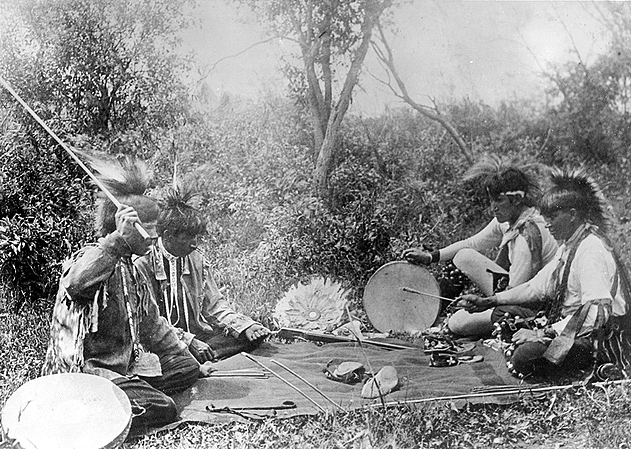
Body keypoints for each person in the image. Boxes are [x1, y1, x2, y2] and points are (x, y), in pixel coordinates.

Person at [41, 157, 212, 432]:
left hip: (124, 370)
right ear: (127, 226)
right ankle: (87, 412)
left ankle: (132, 392)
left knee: (186, 368)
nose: (155, 240)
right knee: (163, 408)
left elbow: (153, 326)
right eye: (150, 232)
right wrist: (116, 241)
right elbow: (75, 284)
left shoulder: (132, 270)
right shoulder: (93, 257)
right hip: (89, 374)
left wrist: (188, 359)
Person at [459, 168, 631, 378]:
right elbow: (536, 287)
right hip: (570, 324)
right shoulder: (569, 246)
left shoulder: (591, 249)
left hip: (599, 337)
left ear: (573, 215)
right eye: (546, 217)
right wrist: (491, 301)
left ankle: (601, 366)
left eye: (554, 216)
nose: (548, 224)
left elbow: (596, 315)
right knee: (508, 317)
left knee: (524, 356)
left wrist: (543, 333)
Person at [402, 154, 558, 337]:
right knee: (463, 256)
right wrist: (430, 256)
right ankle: (432, 313)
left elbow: (518, 293)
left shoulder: (527, 235)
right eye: (492, 200)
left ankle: (448, 320)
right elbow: (472, 243)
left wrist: (484, 303)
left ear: (516, 200)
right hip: (511, 293)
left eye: (499, 200)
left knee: (456, 321)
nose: (493, 207)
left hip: (530, 306)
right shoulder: (510, 220)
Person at [134, 185, 271, 363]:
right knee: (158, 357)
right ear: (168, 235)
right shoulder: (142, 263)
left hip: (199, 337)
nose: (194, 244)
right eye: (189, 237)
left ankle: (196, 357)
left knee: (246, 337)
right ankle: (189, 358)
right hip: (162, 340)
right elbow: (148, 323)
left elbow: (215, 306)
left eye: (197, 238)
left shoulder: (197, 260)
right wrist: (187, 342)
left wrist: (245, 326)